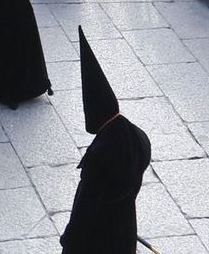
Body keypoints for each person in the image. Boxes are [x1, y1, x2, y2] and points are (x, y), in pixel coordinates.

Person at [60, 28, 152, 253]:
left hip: (97, 237)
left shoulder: (98, 158)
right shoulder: (138, 136)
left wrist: (69, 240)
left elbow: (85, 208)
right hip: (124, 225)